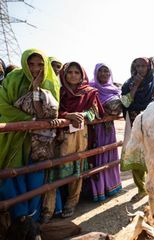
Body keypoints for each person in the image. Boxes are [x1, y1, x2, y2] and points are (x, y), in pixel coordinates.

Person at [0, 49, 60, 222]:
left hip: (39, 141)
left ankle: (32, 221)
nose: (35, 69)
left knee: (35, 179)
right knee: (13, 176)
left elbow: (51, 113)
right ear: (24, 63)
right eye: (31, 64)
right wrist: (29, 119)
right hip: (13, 138)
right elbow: (3, 106)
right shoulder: (13, 79)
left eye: (40, 64)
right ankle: (19, 220)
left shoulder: (51, 82)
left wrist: (36, 89)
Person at [42, 62, 104, 221]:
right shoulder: (58, 91)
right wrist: (67, 115)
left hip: (80, 136)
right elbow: (51, 111)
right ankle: (48, 209)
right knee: (54, 169)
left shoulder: (90, 93)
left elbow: (95, 113)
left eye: (77, 72)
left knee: (76, 167)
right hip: (59, 136)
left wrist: (81, 115)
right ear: (64, 74)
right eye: (69, 72)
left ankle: (72, 202)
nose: (73, 75)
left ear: (82, 74)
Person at [121, 57, 154, 202]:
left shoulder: (153, 84)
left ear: (149, 68)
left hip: (150, 126)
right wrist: (134, 87)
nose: (140, 69)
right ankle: (141, 189)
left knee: (151, 157)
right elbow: (125, 102)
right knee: (135, 154)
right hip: (133, 124)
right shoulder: (128, 84)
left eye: (143, 66)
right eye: (137, 66)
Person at [88, 63, 122, 202]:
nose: (103, 74)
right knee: (97, 156)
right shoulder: (91, 87)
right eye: (100, 71)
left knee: (110, 155)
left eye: (106, 71)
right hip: (96, 129)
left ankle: (111, 186)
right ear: (96, 73)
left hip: (109, 129)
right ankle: (99, 189)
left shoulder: (115, 90)